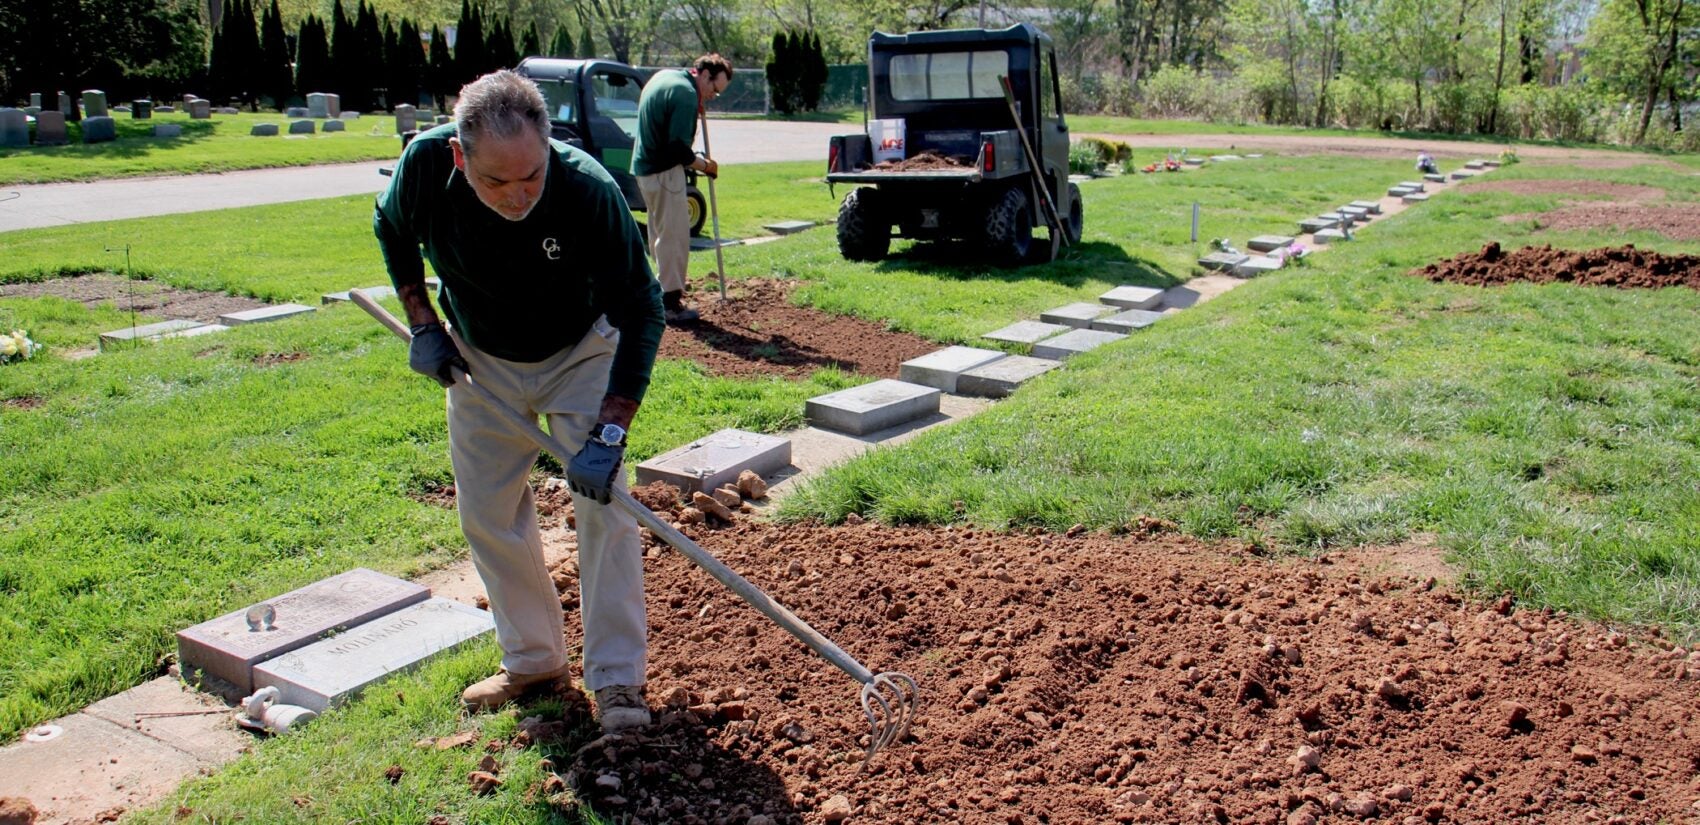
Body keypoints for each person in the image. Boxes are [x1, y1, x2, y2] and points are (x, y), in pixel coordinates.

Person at [373, 69, 666, 734]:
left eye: (529, 176)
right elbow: (390, 228)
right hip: (482, 359)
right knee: (486, 511)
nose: (516, 195)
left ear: (548, 144)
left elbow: (642, 309)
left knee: (605, 511)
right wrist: (423, 321)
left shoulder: (587, 188)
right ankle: (534, 660)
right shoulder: (423, 168)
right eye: (496, 181)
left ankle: (618, 679)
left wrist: (609, 434)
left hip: (580, 352)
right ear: (459, 155)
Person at [632, 53, 734, 325]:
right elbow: (677, 149)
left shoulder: (666, 77)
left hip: (644, 170)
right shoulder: (685, 95)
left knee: (660, 233)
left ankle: (660, 291)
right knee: (675, 236)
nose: (713, 96)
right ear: (703, 75)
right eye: (714, 89)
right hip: (664, 172)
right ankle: (670, 304)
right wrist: (704, 165)